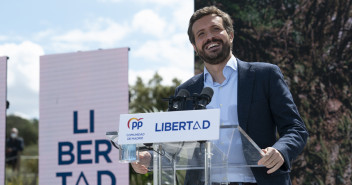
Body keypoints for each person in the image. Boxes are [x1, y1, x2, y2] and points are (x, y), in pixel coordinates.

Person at [132, 6, 308, 185]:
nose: (209, 37)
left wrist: (279, 150)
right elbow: (172, 147)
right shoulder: (185, 92)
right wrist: (149, 158)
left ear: (230, 35)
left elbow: (296, 129)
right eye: (201, 34)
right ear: (195, 46)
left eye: (216, 29)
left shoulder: (264, 75)